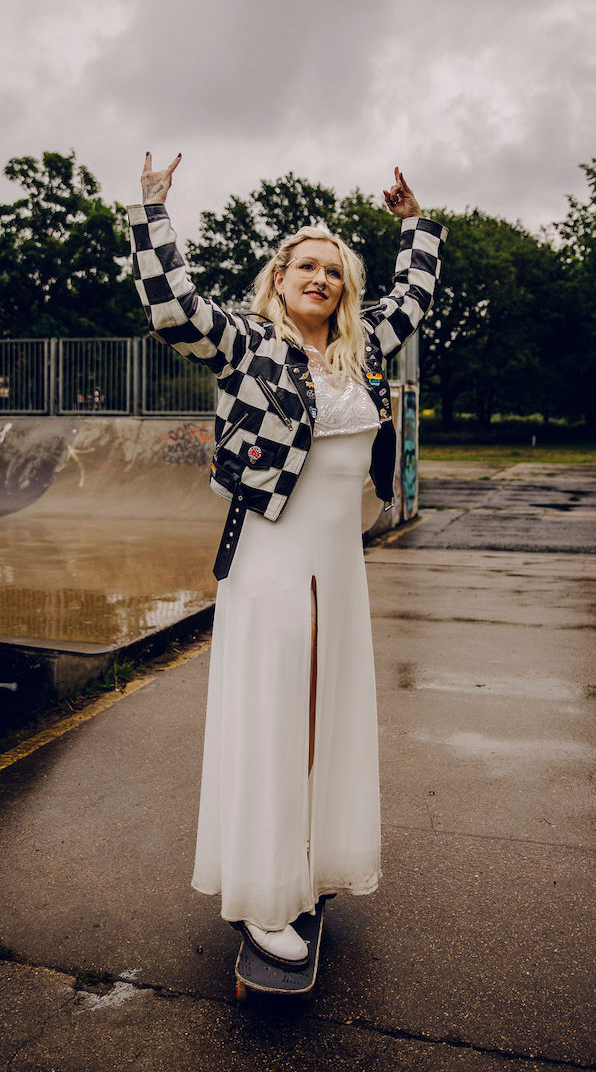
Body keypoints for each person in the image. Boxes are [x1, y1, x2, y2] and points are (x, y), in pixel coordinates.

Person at [129, 154, 446, 967]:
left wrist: (416, 226)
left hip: (337, 570)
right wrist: (153, 209)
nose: (322, 277)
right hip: (271, 562)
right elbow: (172, 308)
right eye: (306, 264)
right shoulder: (249, 346)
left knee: (324, 717)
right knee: (275, 718)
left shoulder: (358, 351)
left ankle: (312, 863)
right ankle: (266, 891)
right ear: (278, 276)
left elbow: (411, 298)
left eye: (335, 270)